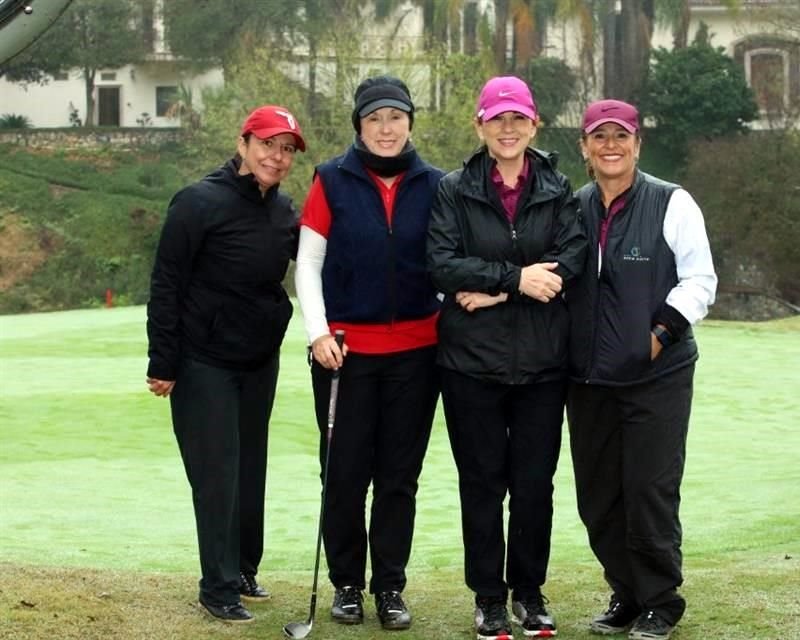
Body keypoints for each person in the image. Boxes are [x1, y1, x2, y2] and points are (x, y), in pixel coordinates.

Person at [426, 76, 587, 640]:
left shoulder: (558, 187)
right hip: (471, 364)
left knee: (534, 484)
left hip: (544, 364)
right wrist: (519, 277)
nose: (508, 128)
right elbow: (443, 265)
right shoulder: (454, 189)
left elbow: (570, 258)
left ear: (534, 124)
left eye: (518, 118)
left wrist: (500, 288)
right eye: (497, 119)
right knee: (482, 483)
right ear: (480, 125)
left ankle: (529, 593)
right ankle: (489, 598)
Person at [294, 75, 443, 631]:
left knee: (399, 475)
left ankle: (390, 587)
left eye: (396, 117)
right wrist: (317, 331)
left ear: (409, 122)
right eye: (375, 118)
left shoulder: (435, 183)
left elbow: (446, 260)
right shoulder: (331, 179)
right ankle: (348, 585)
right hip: (343, 355)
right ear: (359, 123)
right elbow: (308, 264)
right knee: (344, 474)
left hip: (417, 353)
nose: (386, 128)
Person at [146, 105, 306, 623]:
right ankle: (216, 587)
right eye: (267, 145)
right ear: (243, 144)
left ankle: (241, 568)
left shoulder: (284, 212)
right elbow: (166, 284)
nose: (276, 157)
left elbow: (320, 260)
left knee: (249, 467)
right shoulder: (197, 202)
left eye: (286, 150)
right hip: (202, 361)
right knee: (216, 472)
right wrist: (163, 361)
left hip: (257, 360)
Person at [565, 99, 717, 640]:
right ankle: (626, 594)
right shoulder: (573, 207)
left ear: (637, 143)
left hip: (657, 375)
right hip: (588, 379)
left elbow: (699, 282)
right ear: (584, 147)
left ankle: (660, 601)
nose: (611, 145)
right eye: (599, 137)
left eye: (620, 136)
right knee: (599, 496)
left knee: (649, 488)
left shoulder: (672, 202)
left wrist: (656, 339)